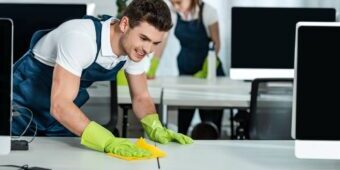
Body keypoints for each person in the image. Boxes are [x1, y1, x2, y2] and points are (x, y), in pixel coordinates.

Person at [12, 0, 192, 158]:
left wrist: (155, 126)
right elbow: (60, 105)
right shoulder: (81, 38)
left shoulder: (133, 49)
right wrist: (108, 141)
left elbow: (141, 97)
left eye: (155, 43)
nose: (148, 49)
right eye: (144, 38)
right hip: (17, 111)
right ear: (124, 24)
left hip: (56, 120)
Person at [148, 0, 225, 137]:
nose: (176, 7)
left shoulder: (208, 12)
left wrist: (207, 67)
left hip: (209, 75)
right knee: (183, 122)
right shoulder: (173, 13)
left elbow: (216, 43)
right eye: (173, 3)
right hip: (186, 72)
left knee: (209, 126)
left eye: (179, 3)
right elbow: (162, 42)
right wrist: (153, 67)